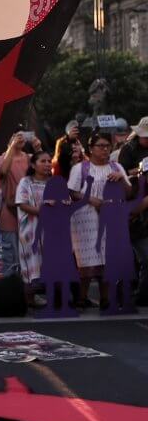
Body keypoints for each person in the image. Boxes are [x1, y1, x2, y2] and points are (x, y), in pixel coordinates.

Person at [68, 130, 130, 309]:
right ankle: (82, 297)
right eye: (100, 146)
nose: (104, 150)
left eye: (107, 146)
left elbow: (129, 192)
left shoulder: (117, 168)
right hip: (85, 218)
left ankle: (105, 298)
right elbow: (72, 191)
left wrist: (122, 181)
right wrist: (91, 199)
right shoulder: (80, 168)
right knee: (87, 259)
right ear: (91, 148)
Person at [117, 116, 148, 305]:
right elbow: (119, 174)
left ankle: (142, 296)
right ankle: (121, 295)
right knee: (129, 257)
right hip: (132, 203)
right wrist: (137, 172)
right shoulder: (128, 150)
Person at [0, 131, 33, 277]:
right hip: (9, 213)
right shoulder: (0, 158)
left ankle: (28, 294)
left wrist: (37, 149)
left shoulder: (29, 158)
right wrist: (12, 147)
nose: (20, 138)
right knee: (11, 258)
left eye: (22, 135)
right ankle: (11, 295)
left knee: (29, 258)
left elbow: (44, 174)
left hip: (29, 213)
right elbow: (3, 172)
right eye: (16, 135)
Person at [15, 150, 53, 288]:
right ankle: (29, 300)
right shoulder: (25, 182)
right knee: (31, 268)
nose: (47, 164)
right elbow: (22, 204)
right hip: (30, 232)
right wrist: (43, 211)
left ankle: (53, 301)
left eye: (49, 161)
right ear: (33, 165)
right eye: (43, 161)